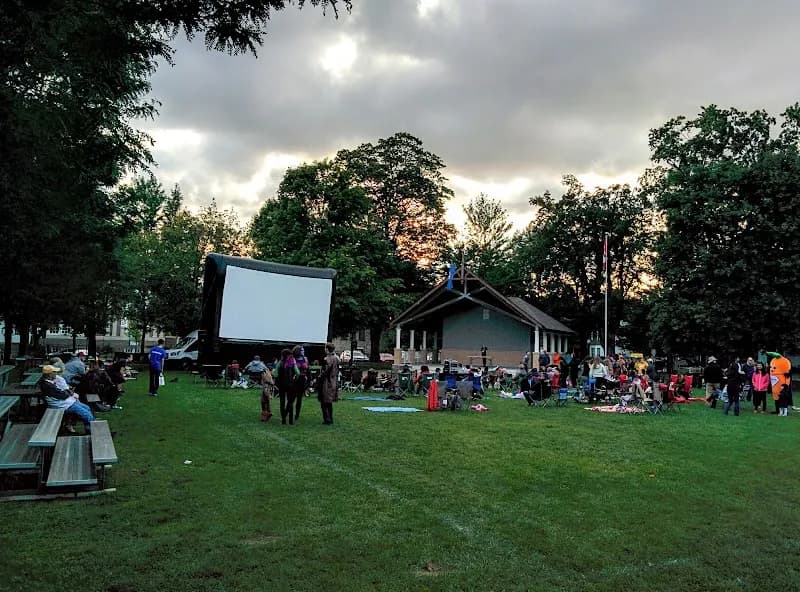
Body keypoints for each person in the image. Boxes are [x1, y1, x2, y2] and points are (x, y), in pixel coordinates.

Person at [40, 364, 95, 434]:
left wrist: (67, 392)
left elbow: (64, 393)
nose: (56, 374)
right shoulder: (47, 385)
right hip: (62, 405)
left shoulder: (49, 383)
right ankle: (94, 432)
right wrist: (68, 393)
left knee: (87, 408)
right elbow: (63, 395)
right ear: (49, 374)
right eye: (54, 372)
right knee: (88, 416)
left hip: (66, 402)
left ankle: (89, 431)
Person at [273, 348, 300, 425]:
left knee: (282, 402)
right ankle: (291, 421)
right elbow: (298, 373)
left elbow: (275, 374)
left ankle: (283, 420)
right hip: (290, 384)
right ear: (289, 355)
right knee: (290, 402)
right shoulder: (292, 362)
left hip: (281, 385)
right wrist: (295, 379)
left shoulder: (279, 363)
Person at [318, 342, 339, 425]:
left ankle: (327, 419)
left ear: (327, 349)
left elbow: (326, 371)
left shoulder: (328, 359)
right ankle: (330, 418)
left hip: (327, 381)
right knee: (329, 401)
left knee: (324, 400)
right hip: (334, 380)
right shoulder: (337, 358)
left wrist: (320, 377)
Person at [292, 345, 309, 420]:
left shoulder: (305, 359)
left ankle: (297, 414)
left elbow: (308, 370)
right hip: (295, 380)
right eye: (302, 350)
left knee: (299, 399)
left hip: (302, 380)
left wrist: (309, 379)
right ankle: (289, 412)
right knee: (292, 398)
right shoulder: (293, 359)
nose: (303, 351)